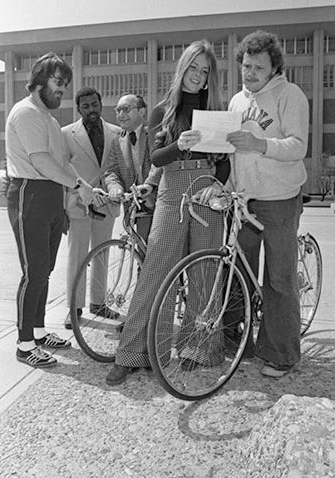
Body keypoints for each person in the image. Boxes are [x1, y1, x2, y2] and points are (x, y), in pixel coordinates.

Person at [106, 39, 230, 385]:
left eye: (205, 71)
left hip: (207, 189)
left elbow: (225, 163)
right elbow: (157, 158)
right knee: (156, 271)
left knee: (205, 271)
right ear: (183, 68)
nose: (198, 75)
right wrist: (180, 145)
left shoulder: (216, 113)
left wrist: (218, 184)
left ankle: (198, 348)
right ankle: (135, 353)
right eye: (193, 68)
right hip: (173, 190)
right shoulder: (163, 111)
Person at [226, 30, 310, 378]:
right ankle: (238, 344)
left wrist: (260, 145)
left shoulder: (291, 95)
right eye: (246, 66)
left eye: (258, 67)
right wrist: (227, 187)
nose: (250, 73)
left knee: (278, 280)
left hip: (279, 200)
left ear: (274, 67)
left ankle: (282, 353)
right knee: (239, 274)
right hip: (245, 200)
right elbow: (233, 154)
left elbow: (297, 146)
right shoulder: (236, 102)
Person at [5, 52, 95, 368]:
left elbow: (59, 164)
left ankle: (39, 332)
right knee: (35, 271)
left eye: (65, 84)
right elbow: (41, 161)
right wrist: (77, 186)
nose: (62, 90)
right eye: (58, 82)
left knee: (46, 269)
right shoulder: (26, 113)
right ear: (40, 79)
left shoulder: (51, 119)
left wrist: (80, 186)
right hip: (29, 193)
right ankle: (24, 344)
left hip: (51, 195)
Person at [62, 86, 122, 329]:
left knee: (102, 253)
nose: (91, 110)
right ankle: (74, 309)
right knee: (77, 257)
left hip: (106, 202)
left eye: (94, 105)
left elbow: (120, 166)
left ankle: (98, 303)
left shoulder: (117, 133)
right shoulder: (66, 134)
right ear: (79, 109)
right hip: (79, 203)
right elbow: (62, 169)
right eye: (85, 107)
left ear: (101, 104)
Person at [104, 93, 162, 243]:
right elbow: (112, 171)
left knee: (161, 254)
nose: (121, 115)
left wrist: (149, 184)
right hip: (137, 208)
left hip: (160, 203)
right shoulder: (117, 141)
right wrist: (114, 187)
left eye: (126, 109)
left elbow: (159, 163)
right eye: (118, 110)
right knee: (143, 256)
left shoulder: (155, 133)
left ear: (142, 112)